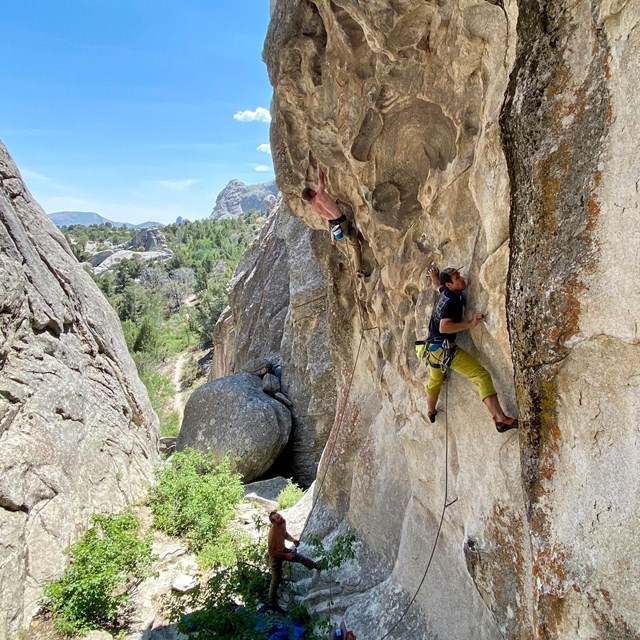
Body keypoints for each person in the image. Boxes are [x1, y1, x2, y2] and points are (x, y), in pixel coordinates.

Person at [424, 266, 518, 433]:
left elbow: (437, 286)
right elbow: (444, 327)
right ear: (450, 285)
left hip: (432, 349)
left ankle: (430, 412)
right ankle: (500, 420)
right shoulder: (452, 301)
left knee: (435, 380)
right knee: (480, 375)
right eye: (457, 278)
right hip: (445, 349)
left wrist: (434, 276)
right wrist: (471, 324)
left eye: (459, 275)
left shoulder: (445, 293)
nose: (461, 278)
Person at [302, 166, 367, 277]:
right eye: (312, 190)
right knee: (355, 246)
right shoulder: (320, 194)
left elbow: (327, 216)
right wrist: (318, 165)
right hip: (342, 221)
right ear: (311, 193)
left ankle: (355, 239)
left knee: (350, 235)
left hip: (334, 226)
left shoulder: (313, 209)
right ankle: (358, 270)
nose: (314, 190)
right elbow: (321, 178)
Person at [268, 511, 320, 612]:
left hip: (283, 550)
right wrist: (286, 555)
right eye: (278, 518)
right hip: (275, 557)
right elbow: (271, 552)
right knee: (275, 580)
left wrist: (293, 540)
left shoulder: (283, 523)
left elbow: (284, 534)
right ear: (274, 523)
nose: (281, 518)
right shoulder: (272, 533)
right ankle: (272, 602)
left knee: (301, 558)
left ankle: (316, 566)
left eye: (279, 516)